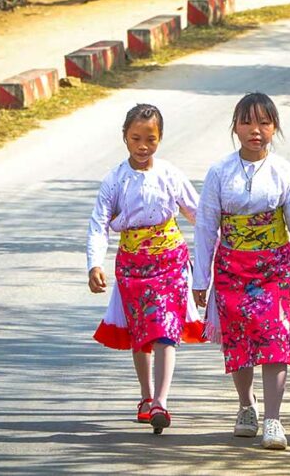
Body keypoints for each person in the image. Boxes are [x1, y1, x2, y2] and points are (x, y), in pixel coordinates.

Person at [192, 93, 290, 451]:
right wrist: (200, 281)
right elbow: (206, 226)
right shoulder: (219, 172)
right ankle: (245, 406)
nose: (256, 130)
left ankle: (273, 420)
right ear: (235, 126)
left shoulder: (284, 172)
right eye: (247, 122)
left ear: (275, 127)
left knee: (275, 341)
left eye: (264, 123)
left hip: (274, 269)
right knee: (238, 342)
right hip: (231, 269)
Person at [87, 104, 204, 434]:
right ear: (124, 137)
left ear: (160, 138)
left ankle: (161, 402)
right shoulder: (115, 180)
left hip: (171, 263)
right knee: (142, 334)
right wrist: (94, 262)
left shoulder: (169, 174)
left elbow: (198, 213)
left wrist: (218, 251)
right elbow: (98, 223)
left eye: (150, 139)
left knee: (167, 330)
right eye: (136, 138)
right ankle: (145, 395)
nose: (143, 146)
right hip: (132, 268)